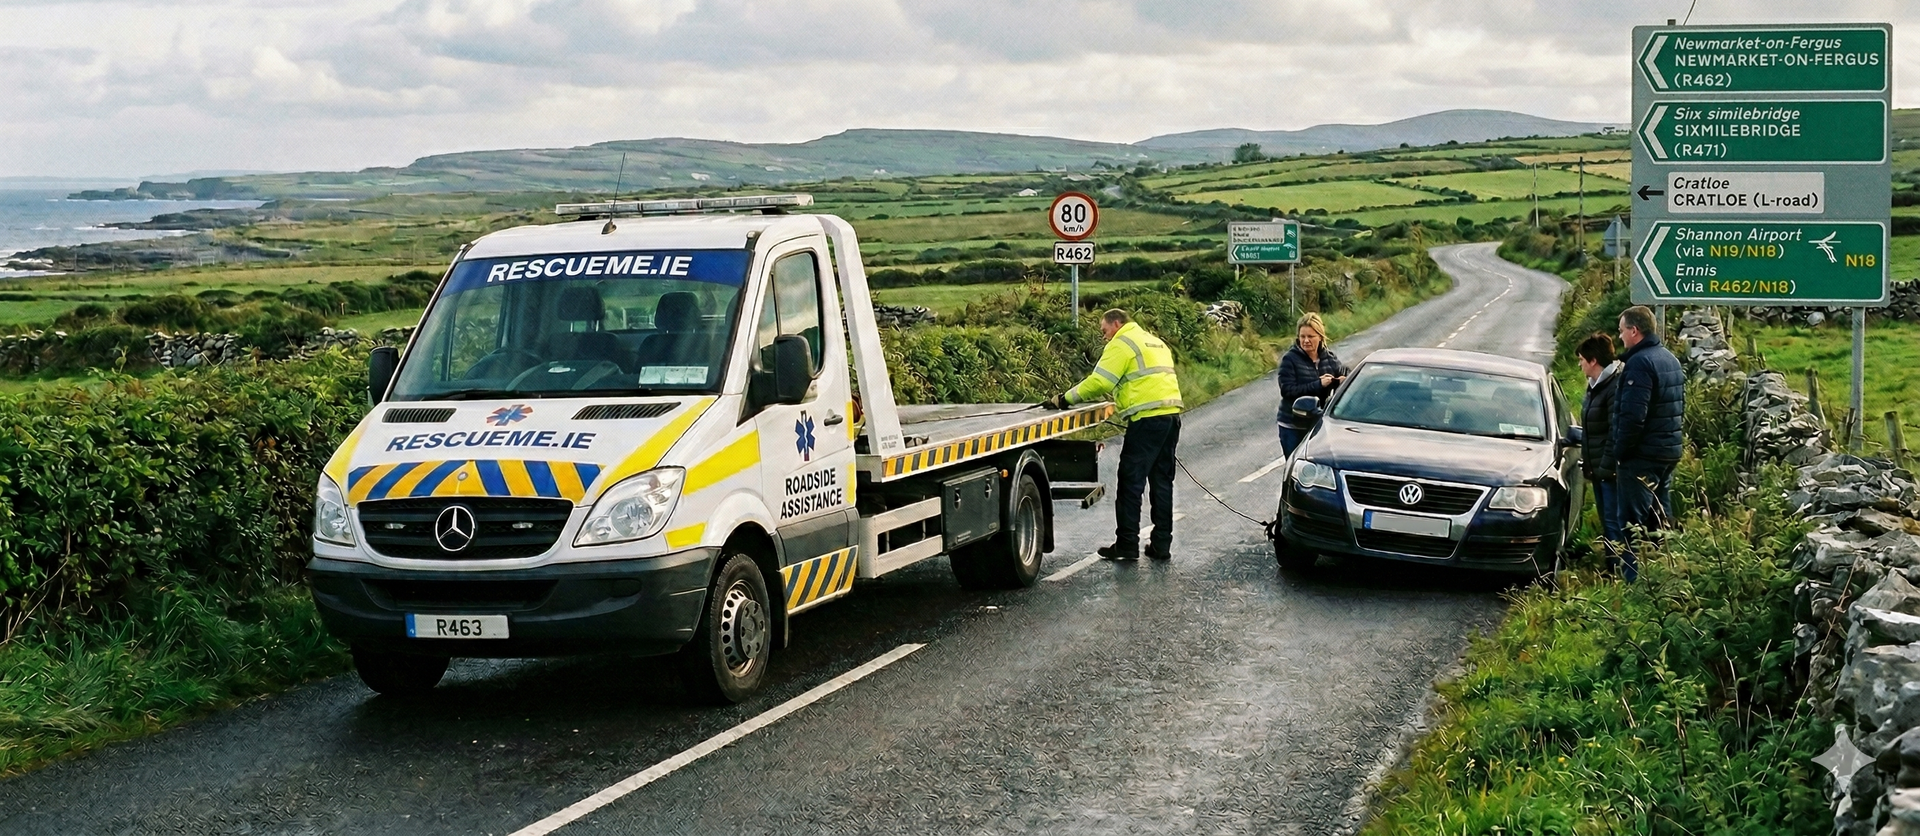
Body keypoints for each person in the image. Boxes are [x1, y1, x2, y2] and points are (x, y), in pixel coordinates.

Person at [1043, 309, 1184, 561]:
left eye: (1104, 331)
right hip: (1170, 417)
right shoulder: (1154, 341)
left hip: (1146, 421)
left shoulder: (1123, 343)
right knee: (1162, 483)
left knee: (1131, 483)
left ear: (1116, 324)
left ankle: (1127, 545)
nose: (1105, 337)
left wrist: (1064, 399)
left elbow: (1101, 382)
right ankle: (1162, 545)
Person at [1602, 305, 1684, 582]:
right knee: (1660, 521)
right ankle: (1667, 577)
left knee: (1632, 525)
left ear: (1634, 331)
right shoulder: (1669, 358)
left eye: (1622, 330)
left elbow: (1633, 415)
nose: (1620, 335)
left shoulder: (1639, 363)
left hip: (1642, 456)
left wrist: (1620, 453)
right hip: (1667, 452)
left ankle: (1635, 584)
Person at [1575, 332, 1625, 550]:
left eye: (1582, 360)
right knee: (1607, 522)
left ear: (1593, 360)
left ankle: (1619, 572)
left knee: (1614, 524)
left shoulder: (1613, 386)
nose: (1580, 365)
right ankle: (1613, 568)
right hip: (1598, 469)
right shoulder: (1594, 385)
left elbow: (1615, 431)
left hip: (1609, 471)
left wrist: (1606, 467)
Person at [1276, 312, 1343, 455]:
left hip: (1318, 425)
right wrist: (1318, 384)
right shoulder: (1290, 359)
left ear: (1320, 337)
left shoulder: (1329, 358)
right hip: (1292, 425)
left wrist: (1342, 380)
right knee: (1296, 468)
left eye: (1310, 336)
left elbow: (1345, 372)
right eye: (1302, 336)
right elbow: (1287, 390)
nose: (1306, 340)